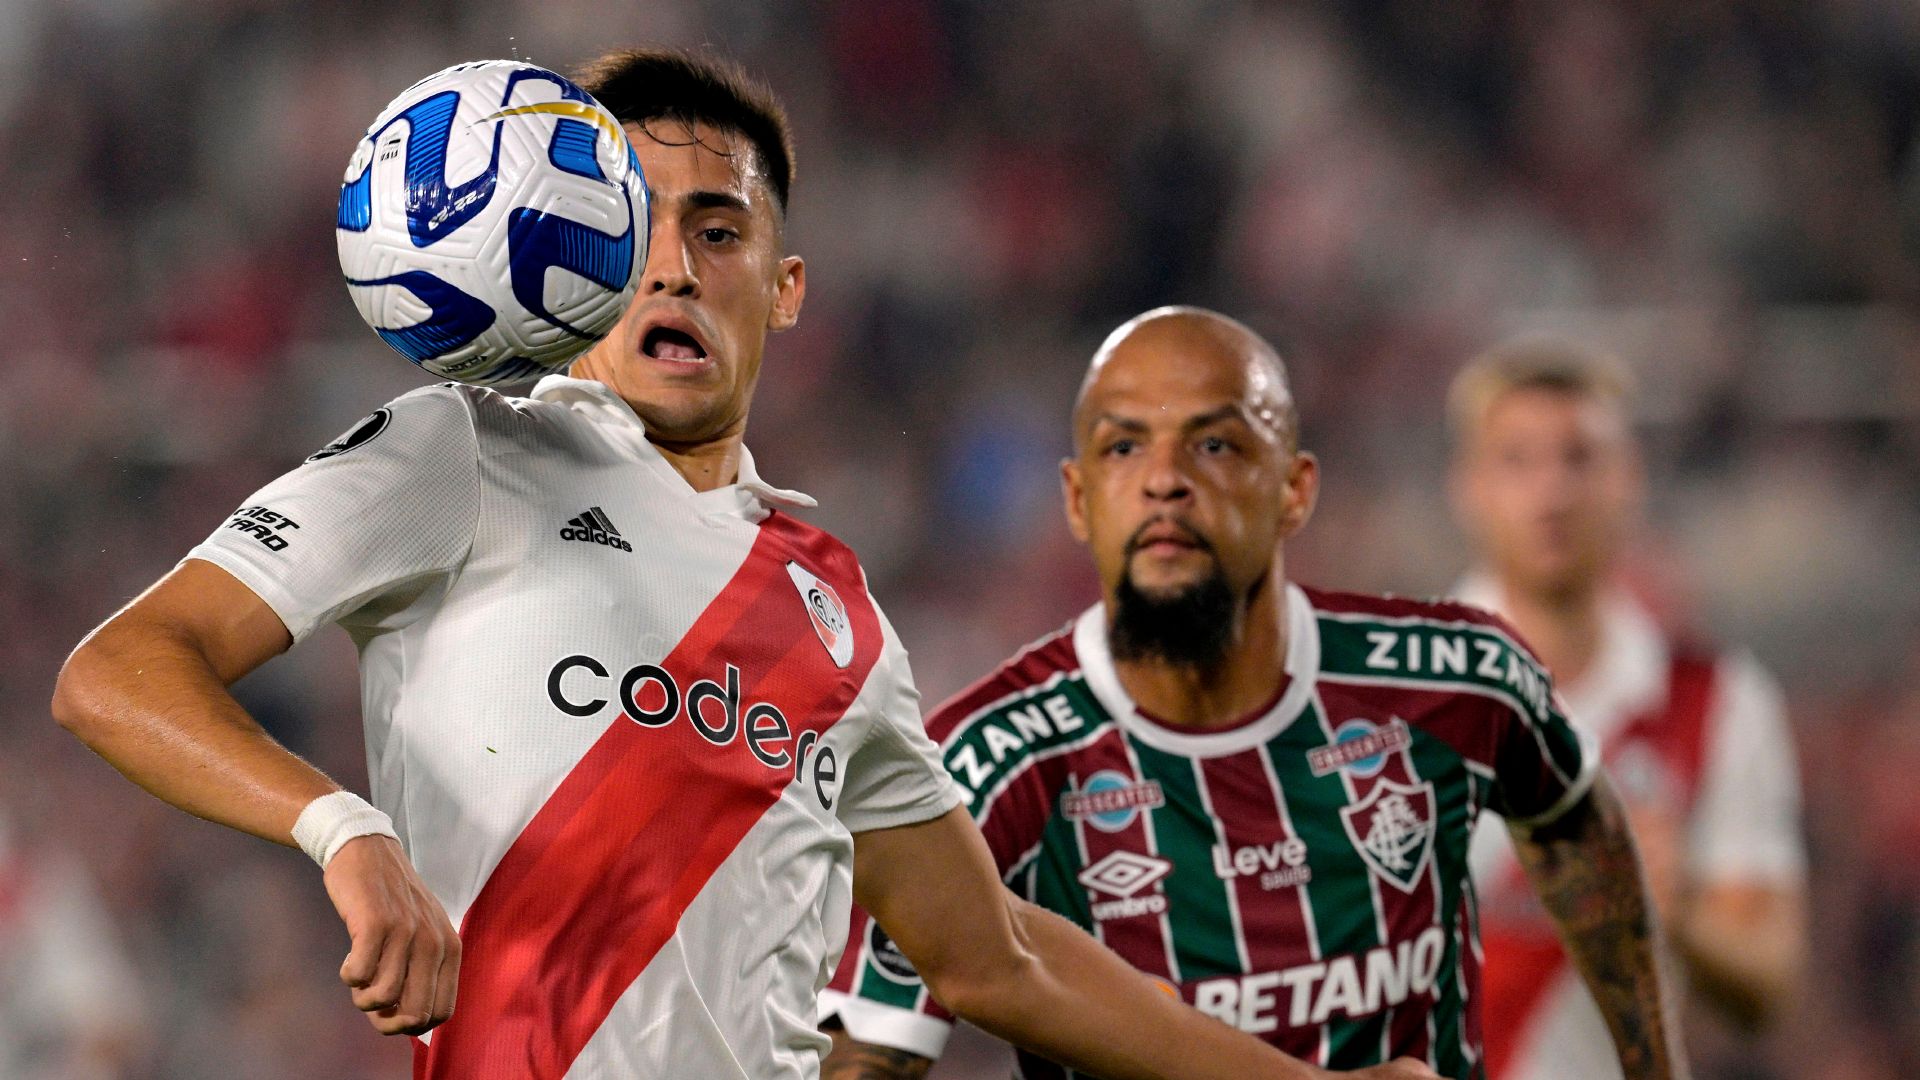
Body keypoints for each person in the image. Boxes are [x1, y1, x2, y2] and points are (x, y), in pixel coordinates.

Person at [50, 47, 1368, 1080]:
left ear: (785, 287)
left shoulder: (840, 615)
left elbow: (998, 958)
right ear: (571, 258)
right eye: (635, 227)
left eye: (720, 231)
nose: (674, 267)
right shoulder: (464, 451)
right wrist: (343, 830)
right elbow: (118, 672)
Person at [820, 307, 1687, 1080]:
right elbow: (869, 1050)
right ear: (1078, 500)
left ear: (1295, 490)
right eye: (1123, 447)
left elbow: (1579, 829)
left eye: (1215, 445)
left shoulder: (1458, 680)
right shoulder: (986, 760)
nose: (1165, 478)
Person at [1447, 339, 1806, 1080]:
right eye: (1517, 460)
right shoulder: (1390, 695)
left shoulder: (1718, 702)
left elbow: (1768, 983)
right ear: (1469, 486)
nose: (1552, 491)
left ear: (1629, 479)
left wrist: (1675, 903)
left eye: (1579, 458)